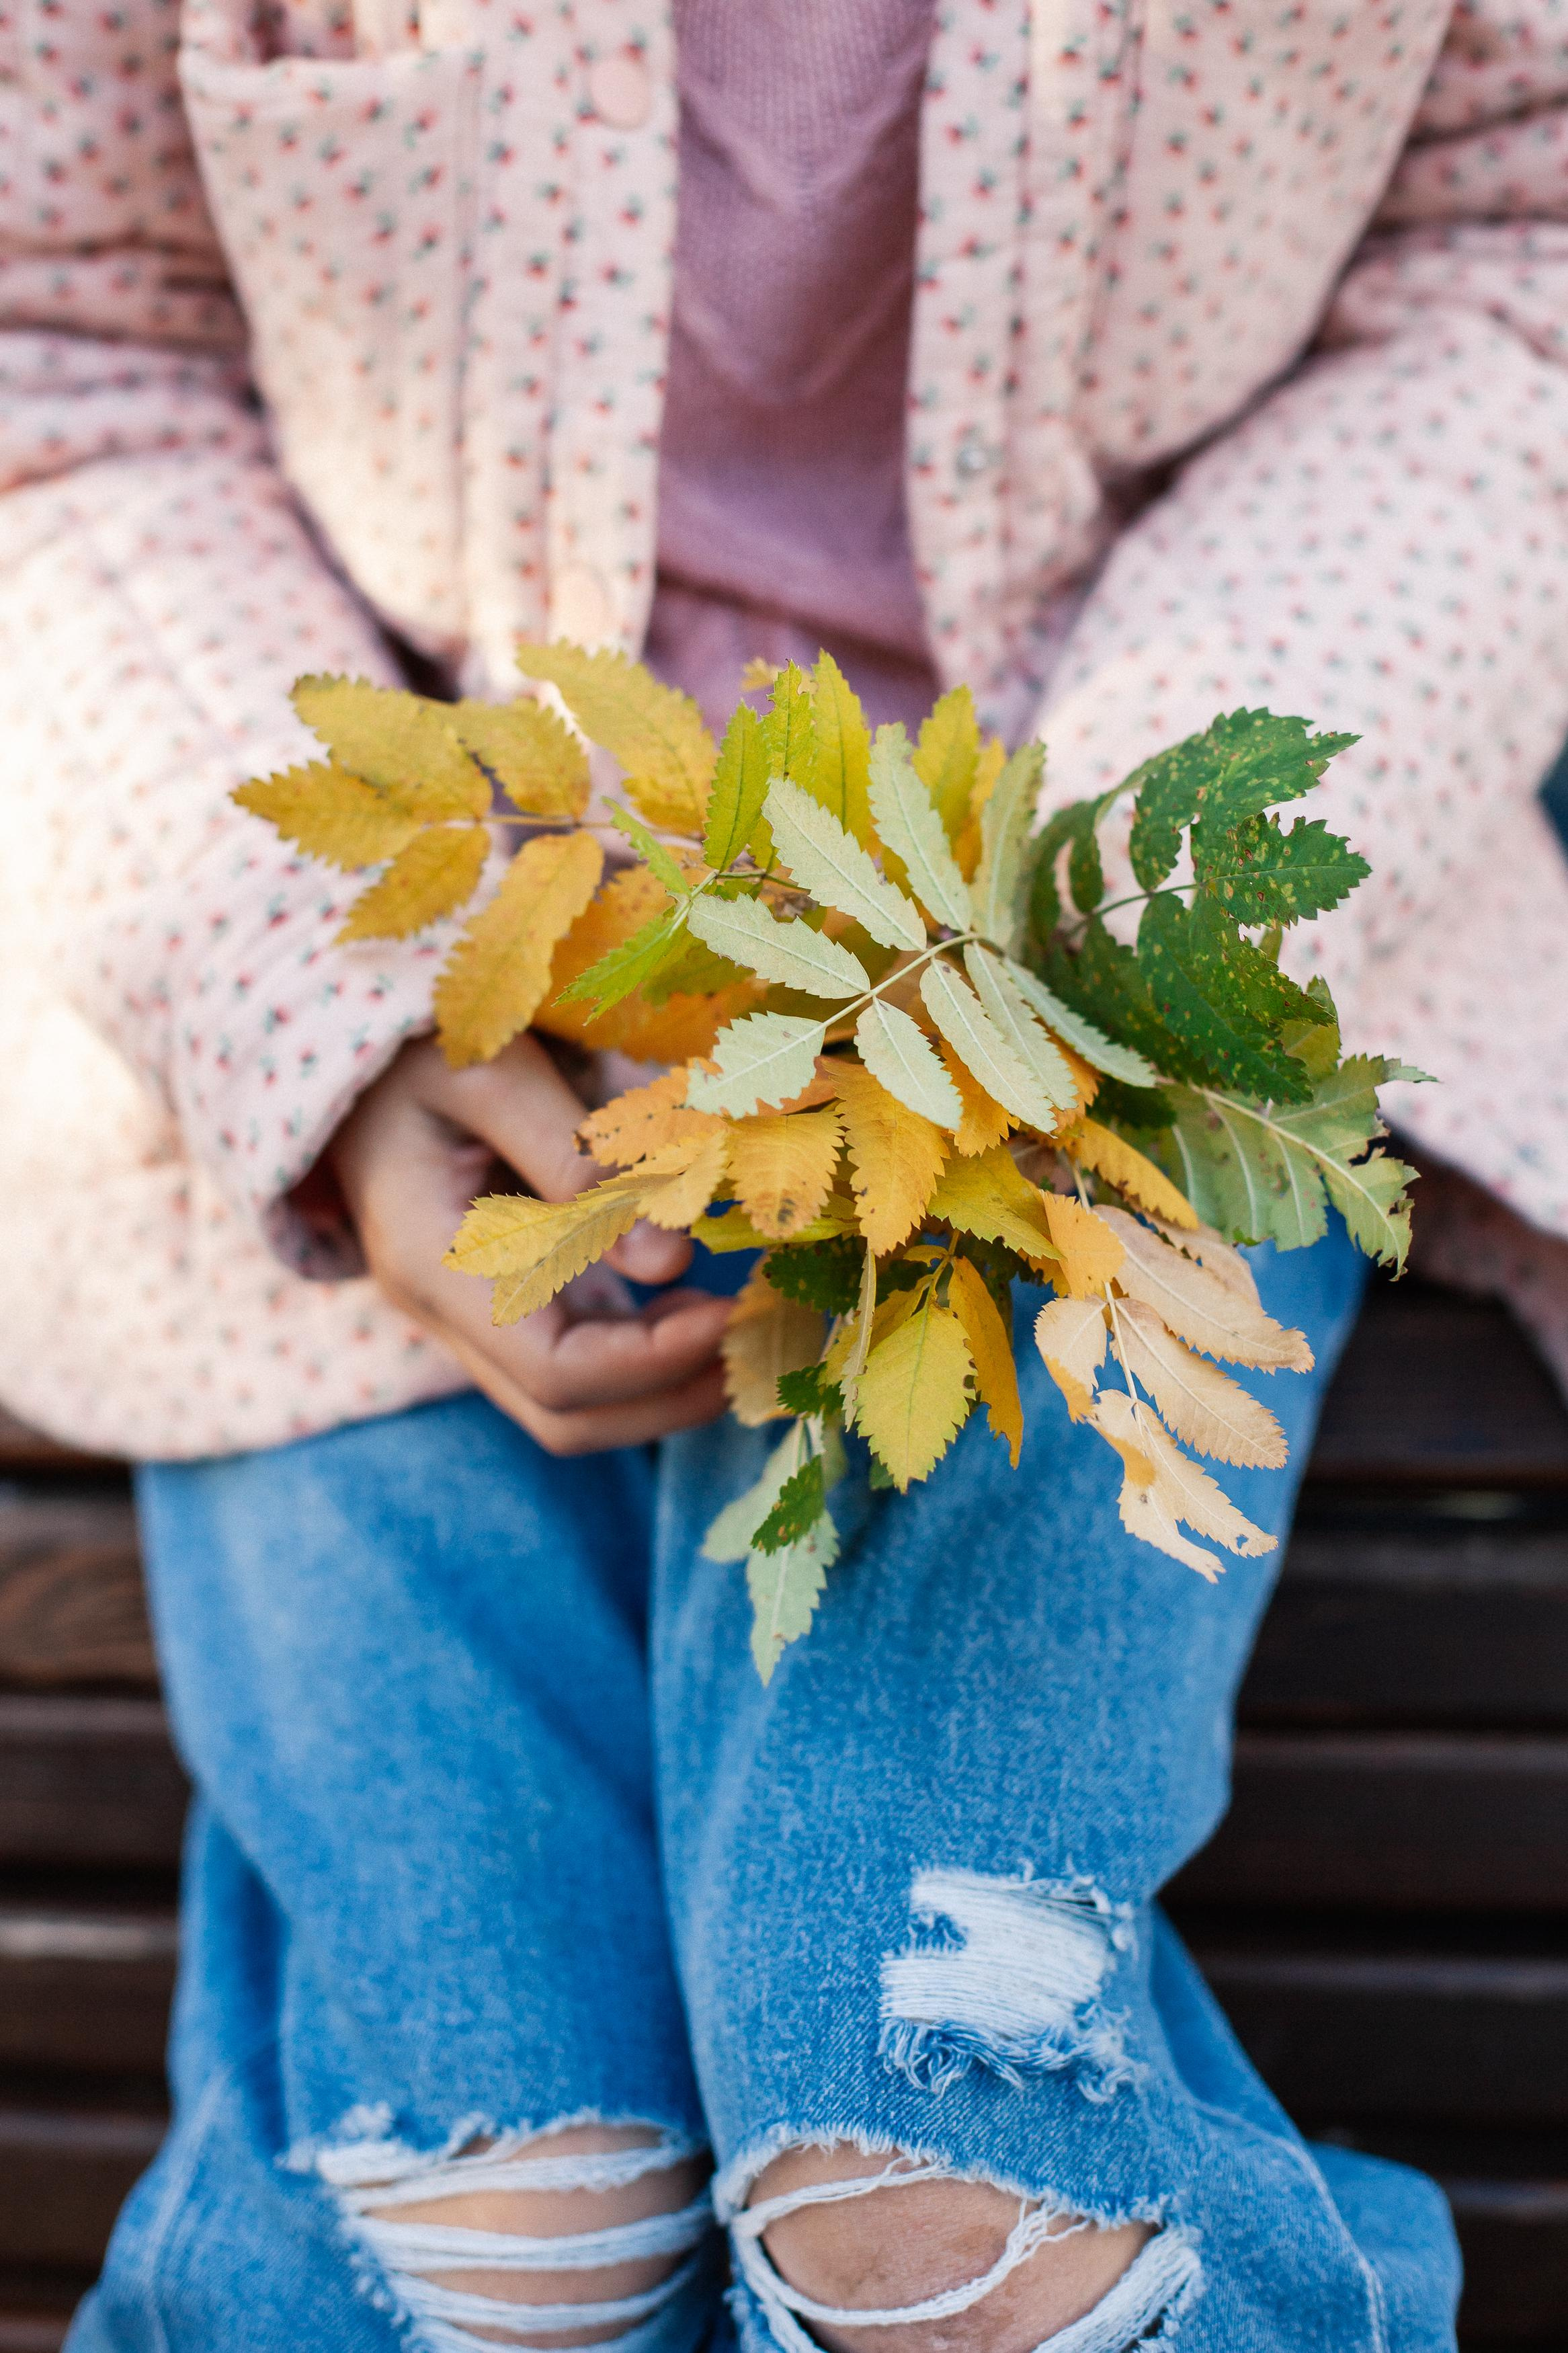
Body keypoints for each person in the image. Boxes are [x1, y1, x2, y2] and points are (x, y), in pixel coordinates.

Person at [4, 3, 1568, 2348]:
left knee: (943, 2217)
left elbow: (1518, 261)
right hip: (386, 974)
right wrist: (314, 1022)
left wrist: (1112, 924)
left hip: (1131, 970)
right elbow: (59, 358)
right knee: (494, 2231)